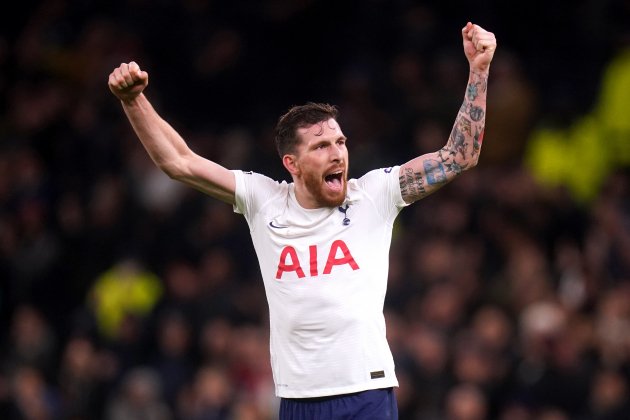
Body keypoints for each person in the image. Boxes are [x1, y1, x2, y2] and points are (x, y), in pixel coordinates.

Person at [108, 21, 497, 420]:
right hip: (298, 400)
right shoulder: (264, 200)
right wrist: (134, 101)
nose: (338, 154)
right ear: (291, 163)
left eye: (341, 142)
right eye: (322, 146)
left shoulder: (374, 194)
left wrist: (479, 69)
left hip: (367, 391)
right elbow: (179, 162)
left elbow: (458, 157)